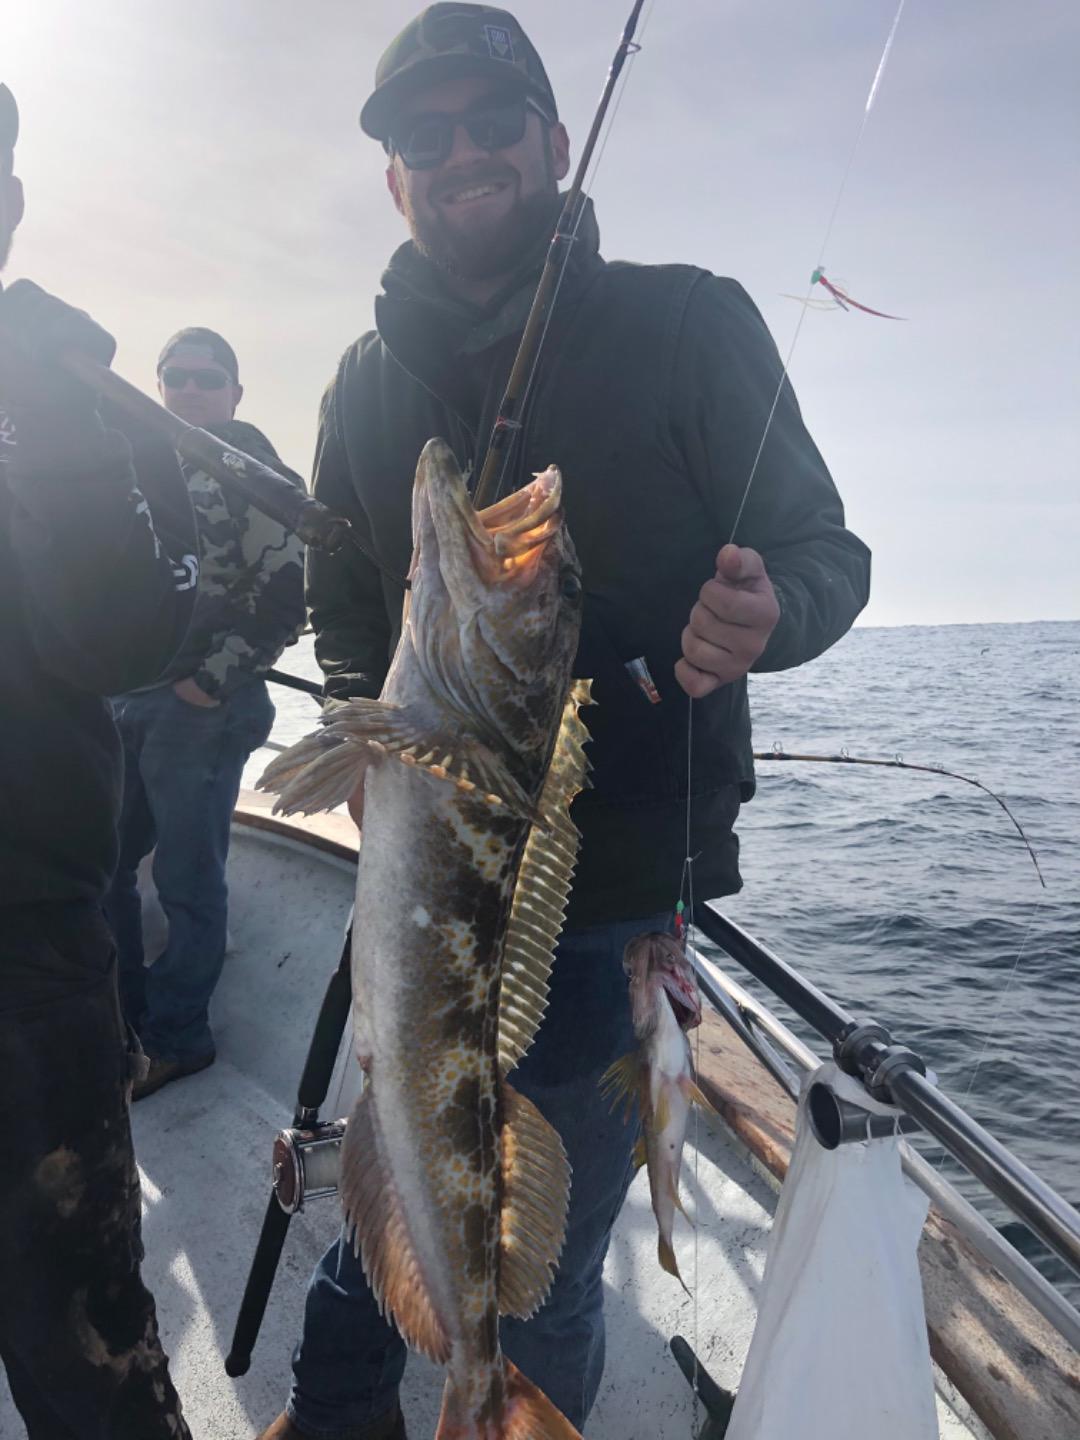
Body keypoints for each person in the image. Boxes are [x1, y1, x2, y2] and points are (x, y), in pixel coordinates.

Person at [258, 7, 871, 1438]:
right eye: (428, 135)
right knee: (395, 1165)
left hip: (614, 900)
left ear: (551, 138)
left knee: (542, 1261)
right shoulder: (363, 383)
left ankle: (505, 1399)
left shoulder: (692, 322)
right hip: (422, 871)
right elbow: (341, 585)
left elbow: (826, 549)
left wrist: (774, 605)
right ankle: (339, 1413)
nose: (462, 151)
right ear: (397, 178)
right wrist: (365, 745)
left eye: (491, 121)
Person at [0, 81, 195, 1439]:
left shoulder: (57, 401)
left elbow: (131, 629)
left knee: (90, 1345)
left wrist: (66, 433)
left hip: (33, 940)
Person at [106, 326, 307, 1100]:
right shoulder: (145, 466)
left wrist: (210, 682)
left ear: (234, 392)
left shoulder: (259, 474)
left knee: (190, 879)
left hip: (201, 710)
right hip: (128, 696)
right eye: (175, 378)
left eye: (206, 378)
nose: (189, 391)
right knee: (104, 863)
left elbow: (287, 594)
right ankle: (123, 1019)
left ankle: (178, 1037)